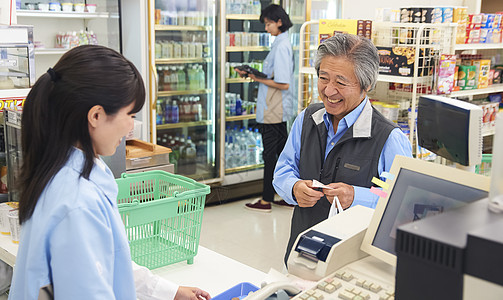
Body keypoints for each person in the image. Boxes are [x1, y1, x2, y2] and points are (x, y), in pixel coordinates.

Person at [8, 45, 211, 300]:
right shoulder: (78, 203)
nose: (131, 126)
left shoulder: (64, 166)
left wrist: (169, 292)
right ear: (96, 115)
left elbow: (107, 260)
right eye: (130, 114)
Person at [272, 33, 413, 264]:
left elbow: (399, 201)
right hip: (302, 250)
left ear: (366, 84)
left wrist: (357, 196)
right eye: (323, 78)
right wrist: (294, 187)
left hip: (354, 261)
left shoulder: (388, 138)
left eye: (340, 82)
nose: (328, 91)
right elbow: (283, 170)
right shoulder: (308, 119)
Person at [235, 4, 296, 212]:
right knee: (282, 152)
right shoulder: (281, 43)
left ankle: (266, 199)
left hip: (273, 109)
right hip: (276, 108)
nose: (266, 28)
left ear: (279, 22)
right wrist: (257, 76)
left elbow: (283, 83)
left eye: (269, 24)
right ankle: (288, 196)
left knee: (270, 154)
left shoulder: (281, 46)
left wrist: (257, 79)